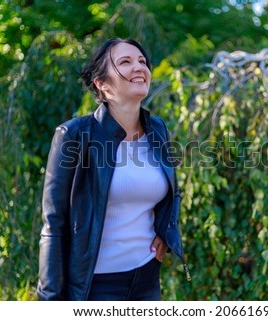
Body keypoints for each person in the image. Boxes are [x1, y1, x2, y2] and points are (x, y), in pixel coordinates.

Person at [37, 38, 190, 301]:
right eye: (125, 62)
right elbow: (54, 223)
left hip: (147, 277)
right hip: (95, 285)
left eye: (142, 61)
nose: (139, 67)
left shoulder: (158, 130)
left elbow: (172, 190)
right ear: (102, 84)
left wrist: (166, 232)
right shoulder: (74, 135)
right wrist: (49, 301)